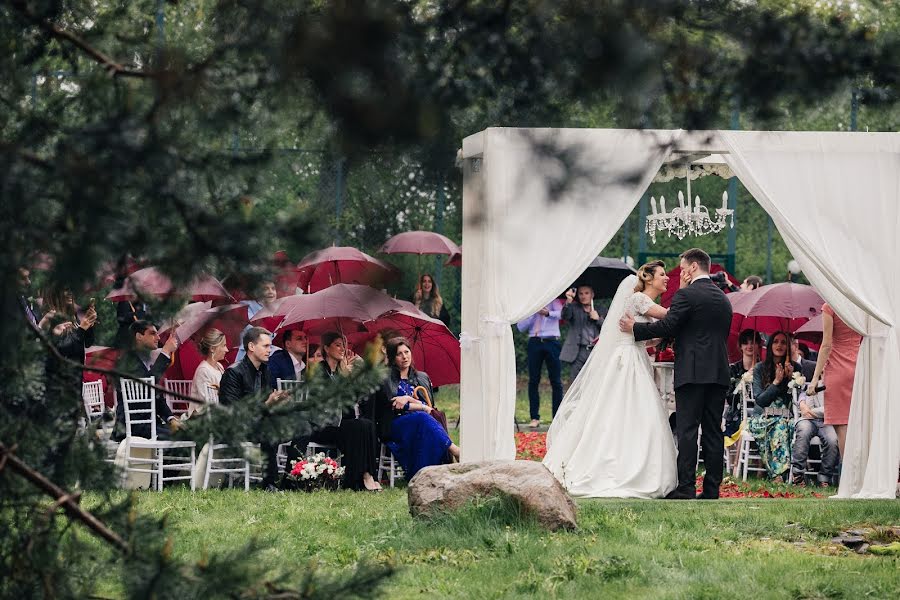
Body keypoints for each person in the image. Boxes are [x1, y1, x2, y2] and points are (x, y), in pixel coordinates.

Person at [544, 260, 677, 498]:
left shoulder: (643, 302)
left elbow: (644, 338)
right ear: (647, 278)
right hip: (627, 361)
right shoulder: (640, 299)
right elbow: (670, 317)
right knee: (624, 409)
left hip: (634, 355)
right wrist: (687, 310)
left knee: (630, 411)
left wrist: (658, 339)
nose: (666, 278)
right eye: (662, 274)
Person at [620, 248, 733, 500]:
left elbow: (670, 324)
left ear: (693, 267)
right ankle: (712, 490)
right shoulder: (724, 299)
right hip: (718, 372)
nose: (681, 272)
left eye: (683, 266)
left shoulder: (686, 295)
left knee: (688, 430)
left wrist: (635, 328)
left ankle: (687, 487)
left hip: (692, 372)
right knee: (714, 430)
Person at [375, 337, 460, 479]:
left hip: (420, 422)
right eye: (399, 354)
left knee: (424, 419)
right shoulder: (385, 378)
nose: (404, 356)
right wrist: (419, 406)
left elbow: (429, 406)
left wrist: (409, 399)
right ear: (392, 357)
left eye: (406, 352)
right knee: (423, 417)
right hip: (395, 424)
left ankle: (424, 473)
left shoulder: (422, 377)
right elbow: (395, 406)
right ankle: (455, 450)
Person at [219, 326, 289, 489]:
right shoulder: (234, 372)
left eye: (270, 346)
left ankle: (292, 480)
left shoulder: (265, 371)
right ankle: (270, 483)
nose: (269, 350)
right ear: (251, 347)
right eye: (265, 346)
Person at [310, 331, 382, 491]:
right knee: (357, 427)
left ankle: (368, 475)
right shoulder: (319, 371)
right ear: (327, 349)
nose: (342, 348)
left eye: (344, 345)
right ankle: (358, 479)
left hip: (342, 424)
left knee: (367, 424)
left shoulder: (343, 371)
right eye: (338, 345)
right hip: (323, 425)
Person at [806, 302, 862, 459]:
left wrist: (815, 377)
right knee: (858, 425)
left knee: (842, 426)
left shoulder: (831, 306)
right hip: (859, 367)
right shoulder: (859, 304)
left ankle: (848, 478)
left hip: (838, 370)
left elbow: (826, 344)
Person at [112, 320, 181, 441]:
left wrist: (171, 419)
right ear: (139, 336)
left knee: (187, 433)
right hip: (133, 426)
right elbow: (147, 388)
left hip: (149, 424)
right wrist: (165, 352)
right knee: (182, 438)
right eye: (152, 333)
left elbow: (155, 396)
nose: (158, 337)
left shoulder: (142, 360)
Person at [749, 331, 799, 482]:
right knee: (779, 426)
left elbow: (797, 400)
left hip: (786, 418)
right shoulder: (759, 368)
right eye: (776, 341)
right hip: (762, 418)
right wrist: (777, 382)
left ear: (788, 347)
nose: (779, 345)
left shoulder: (795, 368)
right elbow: (760, 401)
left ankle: (784, 474)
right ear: (770, 345)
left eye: (783, 342)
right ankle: (779, 474)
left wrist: (790, 381)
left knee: (786, 426)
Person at [516, 297, 565, 428]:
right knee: (533, 380)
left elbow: (562, 314)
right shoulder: (529, 304)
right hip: (535, 341)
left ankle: (556, 417)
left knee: (556, 381)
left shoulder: (553, 300)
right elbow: (520, 327)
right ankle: (534, 417)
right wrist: (533, 314)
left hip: (552, 341)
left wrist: (548, 313)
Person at [791, 358, 839, 487]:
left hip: (827, 421)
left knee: (833, 440)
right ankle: (798, 474)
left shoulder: (836, 388)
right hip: (808, 420)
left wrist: (812, 412)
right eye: (822, 370)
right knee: (803, 433)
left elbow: (831, 409)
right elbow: (806, 402)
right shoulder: (813, 385)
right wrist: (806, 407)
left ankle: (824, 477)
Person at [724, 329, 762, 442]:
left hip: (759, 414)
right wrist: (744, 381)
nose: (749, 346)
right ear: (740, 346)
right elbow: (730, 398)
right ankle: (735, 460)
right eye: (745, 342)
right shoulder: (733, 370)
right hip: (737, 414)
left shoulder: (765, 369)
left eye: (753, 342)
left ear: (758, 345)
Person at [560, 285, 603, 384]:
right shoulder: (574, 308)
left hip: (595, 351)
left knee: (594, 382)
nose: (583, 296)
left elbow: (608, 329)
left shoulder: (601, 309)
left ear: (592, 295)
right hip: (578, 351)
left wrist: (598, 319)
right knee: (576, 383)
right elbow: (565, 316)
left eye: (586, 293)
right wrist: (568, 301)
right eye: (580, 293)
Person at [234, 281, 278, 363]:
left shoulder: (278, 310)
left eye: (273, 289)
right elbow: (256, 334)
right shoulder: (245, 306)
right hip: (246, 356)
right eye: (266, 289)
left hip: (266, 356)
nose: (271, 292)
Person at [190, 328, 228, 410]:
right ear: (212, 349)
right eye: (224, 345)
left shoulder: (219, 366)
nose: (226, 350)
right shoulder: (204, 371)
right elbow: (207, 404)